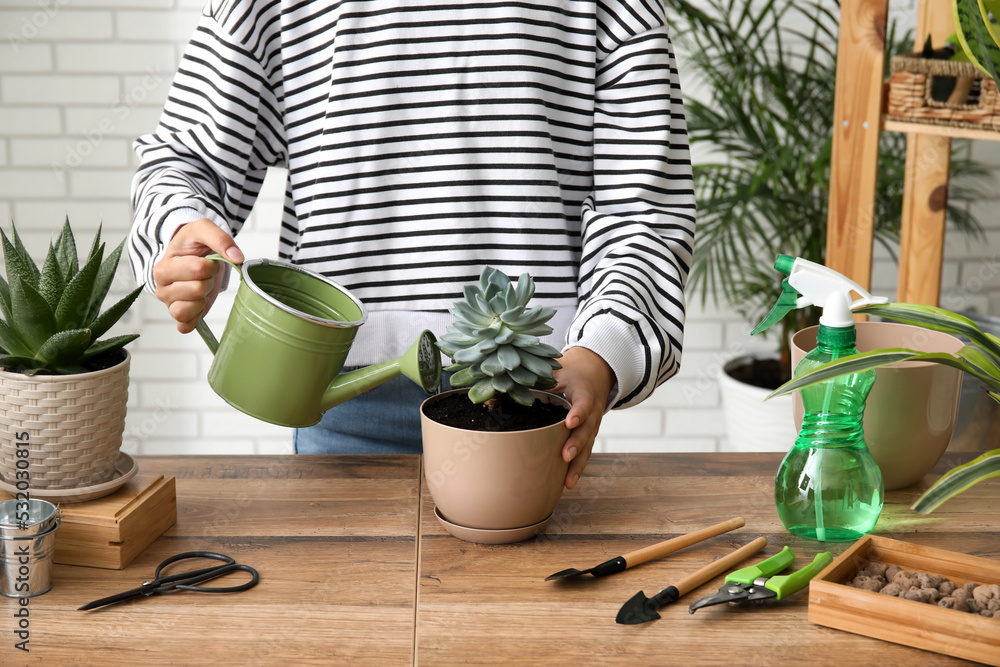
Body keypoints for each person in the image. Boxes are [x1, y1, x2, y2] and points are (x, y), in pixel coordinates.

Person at [128, 0, 696, 490]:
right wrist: (180, 231)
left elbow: (646, 211)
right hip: (341, 396)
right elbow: (185, 156)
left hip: (536, 395)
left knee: (527, 616)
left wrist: (601, 355)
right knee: (343, 612)